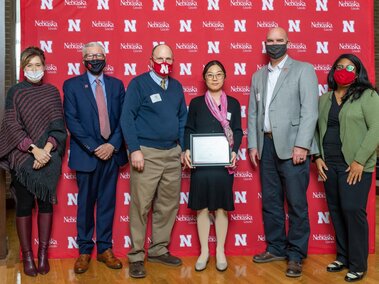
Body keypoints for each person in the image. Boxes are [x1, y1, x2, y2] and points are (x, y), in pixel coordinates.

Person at [247, 27, 319, 277]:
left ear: (288, 42)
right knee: (271, 202)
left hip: (293, 147)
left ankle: (296, 254)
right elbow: (254, 113)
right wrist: (253, 144)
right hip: (266, 146)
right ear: (264, 44)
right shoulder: (258, 76)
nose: (274, 44)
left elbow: (310, 110)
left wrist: (302, 144)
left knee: (297, 203)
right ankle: (276, 247)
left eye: (279, 40)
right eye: (270, 41)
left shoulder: (303, 69)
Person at [120, 44, 187, 279]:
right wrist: (134, 150)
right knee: (141, 205)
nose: (164, 62)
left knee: (168, 205)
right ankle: (137, 255)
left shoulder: (177, 87)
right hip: (146, 153)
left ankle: (158, 249)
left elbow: (182, 119)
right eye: (160, 58)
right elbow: (127, 117)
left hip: (171, 153)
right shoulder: (139, 84)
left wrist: (182, 148)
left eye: (169, 58)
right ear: (150, 61)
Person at [0, 46, 67, 276]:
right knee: (24, 205)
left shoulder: (51, 92)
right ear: (23, 68)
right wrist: (33, 150)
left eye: (38, 65)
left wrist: (46, 150)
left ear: (45, 67)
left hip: (48, 156)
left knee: (46, 204)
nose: (34, 69)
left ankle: (43, 254)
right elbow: (11, 125)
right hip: (23, 158)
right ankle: (27, 256)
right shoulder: (16, 92)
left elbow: (58, 127)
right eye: (30, 66)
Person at [63, 42, 127, 274]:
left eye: (99, 54)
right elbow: (72, 121)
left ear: (105, 58)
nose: (95, 58)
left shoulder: (117, 85)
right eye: (90, 55)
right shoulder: (71, 86)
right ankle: (83, 251)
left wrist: (112, 145)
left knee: (107, 204)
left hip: (112, 154)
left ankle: (104, 249)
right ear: (83, 59)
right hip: (86, 155)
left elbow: (124, 119)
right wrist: (95, 147)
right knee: (85, 204)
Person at [314, 54, 379, 282]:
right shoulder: (325, 99)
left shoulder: (368, 96)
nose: (344, 70)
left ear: (358, 71)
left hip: (356, 166)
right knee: (337, 211)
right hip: (329, 164)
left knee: (353, 211)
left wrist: (360, 161)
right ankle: (342, 256)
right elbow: (315, 129)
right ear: (333, 71)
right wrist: (317, 157)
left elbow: (376, 130)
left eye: (349, 67)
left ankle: (358, 264)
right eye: (339, 67)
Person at [183, 60, 242, 272]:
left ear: (224, 77)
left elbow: (237, 130)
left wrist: (234, 151)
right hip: (202, 164)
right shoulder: (197, 103)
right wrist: (188, 149)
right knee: (202, 207)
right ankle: (204, 252)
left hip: (223, 164)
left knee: (221, 208)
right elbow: (189, 128)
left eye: (218, 74)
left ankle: (220, 251)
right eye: (210, 74)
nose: (215, 78)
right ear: (204, 78)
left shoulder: (233, 103)